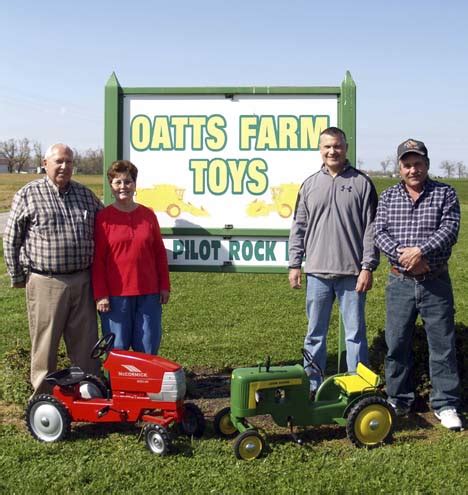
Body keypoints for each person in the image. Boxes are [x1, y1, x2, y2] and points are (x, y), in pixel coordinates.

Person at [375, 138, 462, 430]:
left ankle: (446, 404)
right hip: (399, 282)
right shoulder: (388, 197)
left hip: (435, 281)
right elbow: (380, 233)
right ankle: (399, 399)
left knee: (442, 344)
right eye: (407, 164)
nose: (413, 169)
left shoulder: (445, 194)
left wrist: (420, 252)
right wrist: (405, 259)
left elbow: (449, 230)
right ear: (400, 167)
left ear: (427, 164)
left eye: (418, 163)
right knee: (396, 343)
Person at [3, 143, 102, 395]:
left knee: (86, 341)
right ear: (45, 163)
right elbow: (11, 237)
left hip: (82, 279)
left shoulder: (86, 195)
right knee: (45, 343)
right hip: (46, 281)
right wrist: (16, 274)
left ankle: (89, 391)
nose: (64, 166)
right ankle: (44, 397)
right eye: (59, 161)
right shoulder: (28, 194)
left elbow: (105, 231)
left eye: (69, 161)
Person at [288, 127, 379, 392]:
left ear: (346, 148)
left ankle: (358, 387)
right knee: (314, 335)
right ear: (320, 149)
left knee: (355, 335)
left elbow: (371, 229)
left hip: (352, 274)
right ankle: (313, 385)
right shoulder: (309, 185)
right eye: (327, 146)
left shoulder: (362, 183)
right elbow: (299, 227)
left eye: (337, 146)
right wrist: (295, 264)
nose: (332, 151)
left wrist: (367, 267)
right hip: (316, 273)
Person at [92, 160, 170, 354]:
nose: (123, 187)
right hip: (116, 295)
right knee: (117, 349)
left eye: (127, 182)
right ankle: (117, 385)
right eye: (117, 182)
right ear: (111, 186)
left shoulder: (148, 215)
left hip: (149, 292)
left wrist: (164, 286)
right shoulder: (103, 218)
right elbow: (98, 260)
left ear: (134, 185)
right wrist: (100, 294)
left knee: (148, 345)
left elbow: (159, 252)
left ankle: (145, 385)